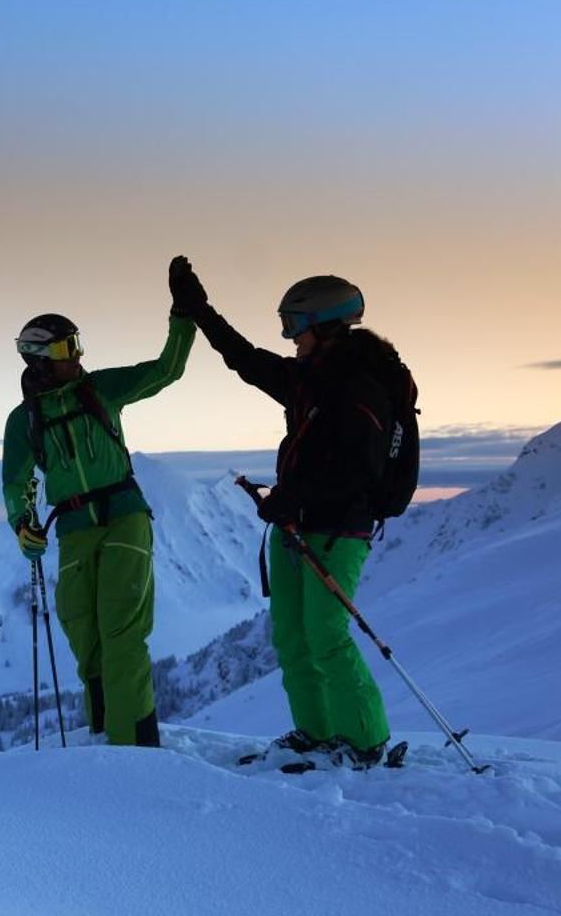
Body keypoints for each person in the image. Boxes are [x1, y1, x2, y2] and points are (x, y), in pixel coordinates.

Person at [167, 257, 397, 766]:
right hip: (295, 527)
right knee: (292, 638)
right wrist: (200, 310)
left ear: (323, 326)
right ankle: (314, 733)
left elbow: (360, 472)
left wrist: (292, 498)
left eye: (294, 327)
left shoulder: (360, 389)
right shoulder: (306, 380)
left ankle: (364, 740)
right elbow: (244, 359)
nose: (290, 337)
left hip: (338, 530)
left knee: (328, 636)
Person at [0, 277, 195, 747]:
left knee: (121, 632)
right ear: (42, 358)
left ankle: (134, 746)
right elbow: (17, 480)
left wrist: (183, 317)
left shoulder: (101, 388)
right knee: (84, 636)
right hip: (72, 528)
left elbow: (166, 370)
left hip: (125, 514)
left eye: (77, 344)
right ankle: (107, 738)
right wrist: (22, 523)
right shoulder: (24, 419)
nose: (79, 356)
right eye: (70, 347)